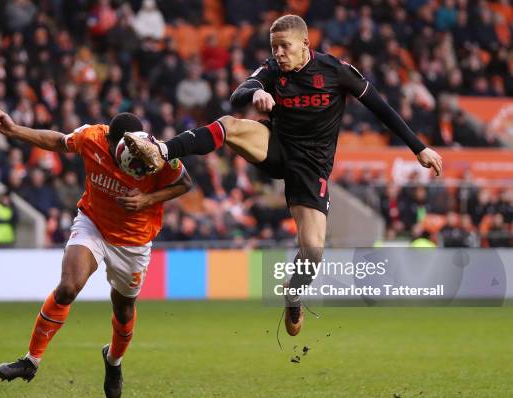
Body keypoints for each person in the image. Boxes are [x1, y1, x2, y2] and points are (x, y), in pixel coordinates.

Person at [125, 14, 443, 337]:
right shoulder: (272, 70)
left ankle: (293, 292)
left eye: (284, 47)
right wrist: (255, 94)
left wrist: (418, 148)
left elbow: (381, 108)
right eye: (274, 47)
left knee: (313, 251)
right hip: (276, 146)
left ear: (305, 44)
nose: (278, 53)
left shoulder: (336, 72)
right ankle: (162, 151)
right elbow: (239, 94)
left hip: (312, 167)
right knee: (230, 124)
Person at [0, 107, 192, 398]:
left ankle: (113, 362)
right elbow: (59, 142)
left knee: (123, 310)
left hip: (133, 242)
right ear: (109, 139)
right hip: (93, 224)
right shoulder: (91, 136)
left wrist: (147, 198)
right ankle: (30, 361)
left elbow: (185, 183)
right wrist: (14, 129)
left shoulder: (155, 153)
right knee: (68, 287)